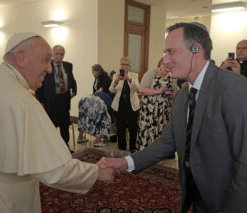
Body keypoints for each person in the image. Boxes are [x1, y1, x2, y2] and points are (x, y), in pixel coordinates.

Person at [0, 32, 115, 213]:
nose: (50, 69)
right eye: (45, 60)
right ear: (21, 58)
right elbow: (54, 168)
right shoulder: (20, 100)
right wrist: (95, 172)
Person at [101, 22, 247, 212]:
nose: (165, 60)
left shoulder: (235, 88)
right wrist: (125, 162)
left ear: (196, 49)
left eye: (171, 52)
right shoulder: (181, 97)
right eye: (165, 53)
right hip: (196, 200)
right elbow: (167, 143)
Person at [36, 45, 77, 152]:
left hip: (64, 99)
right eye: (57, 54)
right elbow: (39, 85)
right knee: (51, 126)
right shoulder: (46, 66)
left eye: (61, 54)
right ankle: (52, 149)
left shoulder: (68, 65)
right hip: (51, 101)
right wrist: (40, 101)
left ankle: (65, 147)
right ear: (53, 55)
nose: (59, 56)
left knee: (64, 125)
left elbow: (71, 79)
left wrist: (74, 90)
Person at [136, 58, 177, 151]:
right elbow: (142, 89)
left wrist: (171, 94)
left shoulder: (172, 76)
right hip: (149, 110)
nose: (167, 69)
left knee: (161, 131)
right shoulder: (151, 73)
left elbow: (175, 92)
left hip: (164, 111)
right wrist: (158, 91)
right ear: (161, 64)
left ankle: (158, 153)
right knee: (149, 130)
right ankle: (145, 152)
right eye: (166, 67)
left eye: (169, 67)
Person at [109, 57, 140, 153]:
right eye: (123, 64)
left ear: (129, 66)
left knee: (132, 127)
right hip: (119, 104)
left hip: (132, 105)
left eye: (127, 65)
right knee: (120, 126)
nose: (125, 66)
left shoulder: (134, 75)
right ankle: (121, 146)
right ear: (120, 65)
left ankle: (132, 146)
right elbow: (111, 90)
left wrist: (129, 79)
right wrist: (116, 81)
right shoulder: (115, 75)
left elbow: (138, 88)